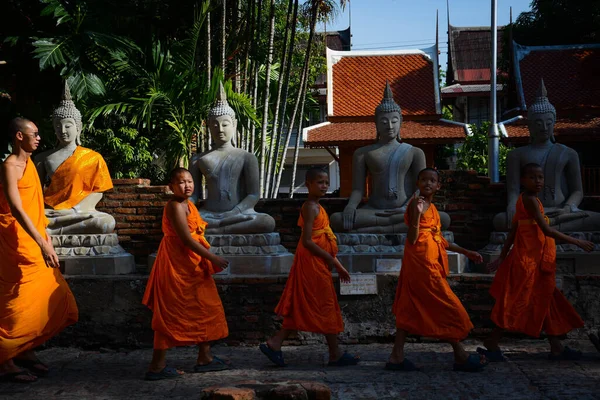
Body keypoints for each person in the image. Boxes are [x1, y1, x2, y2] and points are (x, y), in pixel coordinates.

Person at [480, 163, 594, 362]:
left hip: (536, 261)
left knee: (547, 300)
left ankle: (556, 346)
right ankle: (492, 341)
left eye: (540, 177)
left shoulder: (528, 201)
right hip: (528, 262)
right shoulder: (530, 200)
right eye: (532, 177)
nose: (538, 181)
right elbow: (546, 231)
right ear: (522, 180)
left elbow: (514, 231)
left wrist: (502, 256)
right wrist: (577, 241)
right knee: (516, 302)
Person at [0, 117, 78, 383]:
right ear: (19, 136)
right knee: (15, 301)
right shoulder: (10, 165)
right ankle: (5, 359)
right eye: (33, 133)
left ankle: (24, 350)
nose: (39, 137)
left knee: (50, 294)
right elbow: (16, 208)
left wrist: (46, 238)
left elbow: (36, 208)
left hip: (34, 239)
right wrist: (41, 243)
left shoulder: (31, 163)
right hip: (15, 242)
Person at [387, 168, 486, 372]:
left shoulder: (432, 209)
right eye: (423, 180)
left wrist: (466, 251)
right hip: (421, 264)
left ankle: (396, 356)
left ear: (438, 186)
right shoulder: (417, 204)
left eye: (432, 180)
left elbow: (439, 239)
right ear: (417, 183)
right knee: (447, 304)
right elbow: (413, 238)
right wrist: (416, 214)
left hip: (428, 261)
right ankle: (460, 354)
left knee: (409, 306)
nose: (428, 183)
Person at [260, 167, 360, 367]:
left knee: (306, 304)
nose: (324, 186)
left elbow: (322, 237)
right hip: (311, 262)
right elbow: (307, 241)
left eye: (326, 183)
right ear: (308, 185)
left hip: (318, 261)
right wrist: (334, 262)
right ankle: (334, 353)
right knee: (326, 304)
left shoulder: (319, 207)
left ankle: (276, 343)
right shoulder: (310, 207)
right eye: (320, 182)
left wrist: (334, 262)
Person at [142, 167, 230, 381]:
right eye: (181, 182)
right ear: (171, 186)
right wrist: (213, 258)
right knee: (170, 313)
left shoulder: (189, 205)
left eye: (190, 181)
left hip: (193, 266)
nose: (187, 185)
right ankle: (157, 366)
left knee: (206, 307)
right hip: (176, 265)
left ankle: (205, 356)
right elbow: (186, 239)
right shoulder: (174, 206)